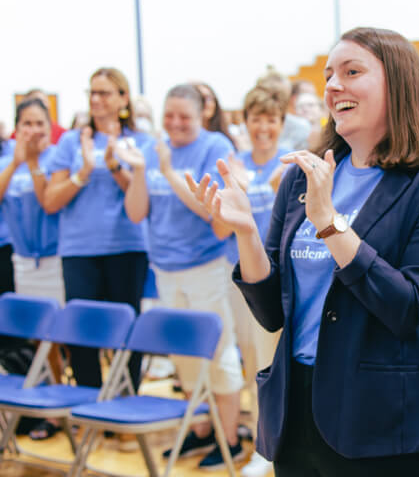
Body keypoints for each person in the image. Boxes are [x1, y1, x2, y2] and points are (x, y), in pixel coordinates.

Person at [191, 26, 419, 476]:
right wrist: (244, 231)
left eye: (352, 71)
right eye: (328, 76)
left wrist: (329, 223)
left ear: (397, 84)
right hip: (296, 408)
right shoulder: (304, 176)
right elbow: (271, 313)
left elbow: (407, 306)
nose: (333, 85)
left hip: (380, 421)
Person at [118, 84, 245, 468]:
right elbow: (137, 213)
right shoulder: (155, 149)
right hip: (165, 269)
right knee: (183, 355)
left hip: (205, 266)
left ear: (202, 114)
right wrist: (142, 170)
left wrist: (171, 172)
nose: (175, 123)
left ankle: (230, 438)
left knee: (218, 352)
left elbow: (215, 212)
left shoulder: (214, 147)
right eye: (168, 115)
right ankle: (200, 430)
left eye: (184, 116)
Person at [44, 67, 153, 391]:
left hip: (127, 246)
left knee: (126, 331)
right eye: (91, 92)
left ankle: (124, 401)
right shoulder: (70, 141)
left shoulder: (140, 142)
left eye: (104, 93)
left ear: (122, 98)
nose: (95, 100)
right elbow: (51, 200)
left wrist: (114, 166)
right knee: (81, 330)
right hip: (79, 249)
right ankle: (87, 403)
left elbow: (141, 200)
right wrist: (85, 171)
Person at [229, 84, 290, 477]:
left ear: (282, 124)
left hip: (277, 277)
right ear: (245, 122)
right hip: (240, 277)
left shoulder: (290, 166)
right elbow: (221, 225)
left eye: (271, 119)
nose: (263, 127)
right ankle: (261, 443)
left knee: (271, 364)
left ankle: (268, 450)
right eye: (256, 118)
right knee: (252, 363)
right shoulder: (233, 164)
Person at [0, 99, 62, 302]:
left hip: (56, 259)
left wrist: (32, 160)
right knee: (28, 328)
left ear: (49, 126)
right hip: (21, 261)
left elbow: (48, 203)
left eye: (39, 123)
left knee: (57, 328)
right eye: (27, 124)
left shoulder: (59, 158)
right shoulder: (6, 162)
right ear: (16, 128)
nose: (33, 130)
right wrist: (16, 163)